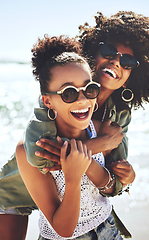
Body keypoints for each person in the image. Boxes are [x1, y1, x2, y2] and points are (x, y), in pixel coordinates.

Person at [0, 11, 149, 240]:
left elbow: (111, 181)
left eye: (128, 61)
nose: (116, 61)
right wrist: (101, 143)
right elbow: (43, 156)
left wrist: (128, 177)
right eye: (108, 52)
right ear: (90, 52)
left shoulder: (118, 114)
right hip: (17, 193)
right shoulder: (58, 98)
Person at [17, 35, 123, 239]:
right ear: (47, 101)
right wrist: (72, 177)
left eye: (89, 89)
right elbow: (63, 229)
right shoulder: (33, 151)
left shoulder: (100, 130)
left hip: (110, 229)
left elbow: (108, 187)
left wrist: (90, 161)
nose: (83, 99)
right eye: (69, 93)